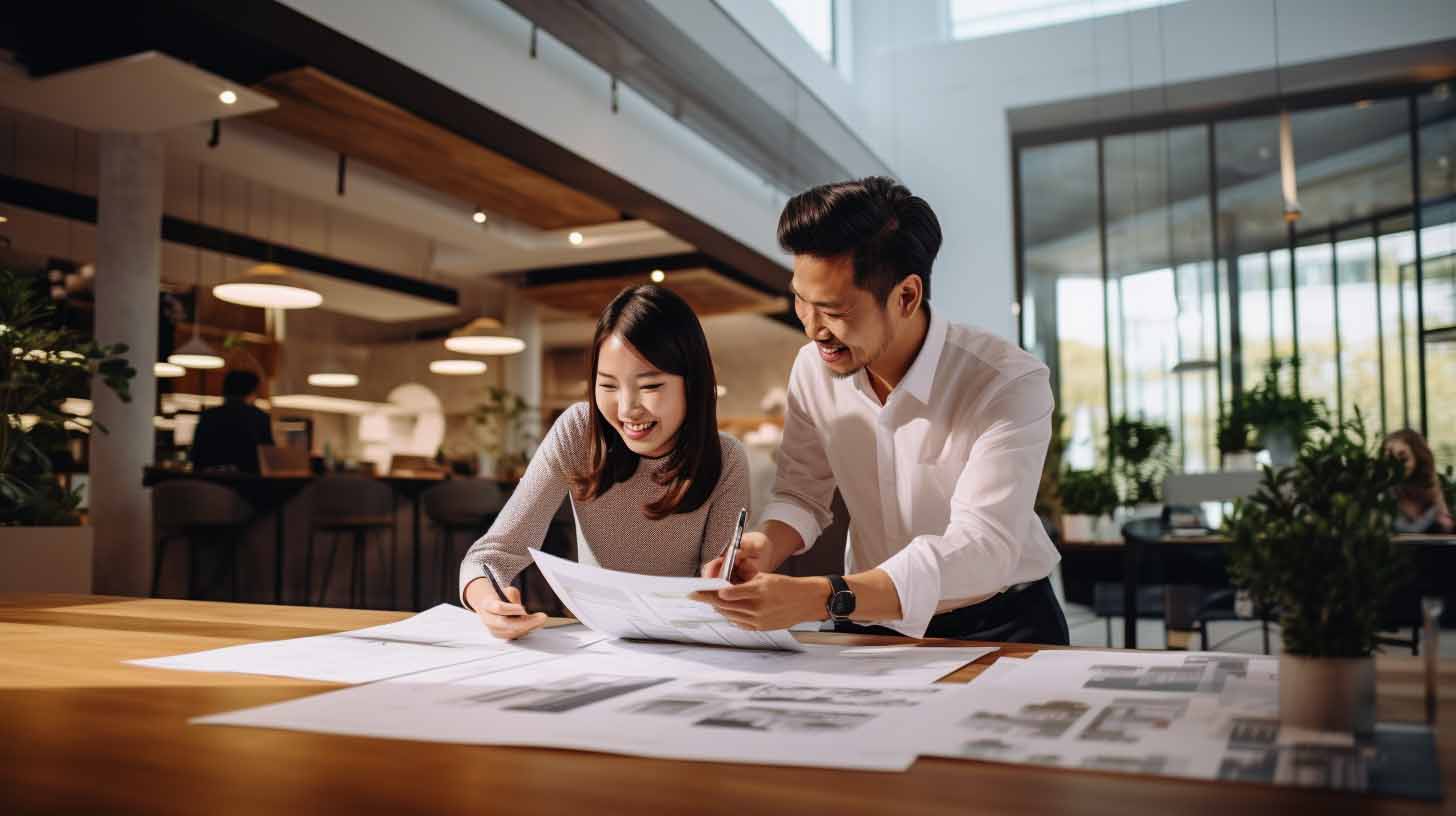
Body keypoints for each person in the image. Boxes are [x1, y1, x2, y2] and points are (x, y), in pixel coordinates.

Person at [693, 177, 1068, 644]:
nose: (812, 328)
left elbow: (982, 547)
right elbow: (802, 493)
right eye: (801, 301)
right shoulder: (813, 369)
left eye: (833, 310)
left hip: (999, 623)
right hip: (870, 620)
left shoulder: (1006, 382)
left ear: (906, 296)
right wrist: (763, 545)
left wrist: (820, 596)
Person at [460, 285, 750, 639]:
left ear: (692, 383)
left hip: (687, 641)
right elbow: (491, 555)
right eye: (609, 386)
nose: (627, 408)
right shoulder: (580, 433)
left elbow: (719, 586)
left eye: (650, 386)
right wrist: (490, 604)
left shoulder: (726, 459)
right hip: (600, 642)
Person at [190, 369, 274, 474]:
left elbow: (196, 456)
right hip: (248, 483)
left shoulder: (209, 416)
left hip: (211, 481)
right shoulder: (259, 417)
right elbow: (268, 455)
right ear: (252, 391)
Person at [1383, 429, 1455, 533]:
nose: (1397, 466)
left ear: (1418, 457)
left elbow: (1446, 527)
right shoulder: (1384, 494)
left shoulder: (1431, 488)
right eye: (1390, 459)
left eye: (1403, 459)